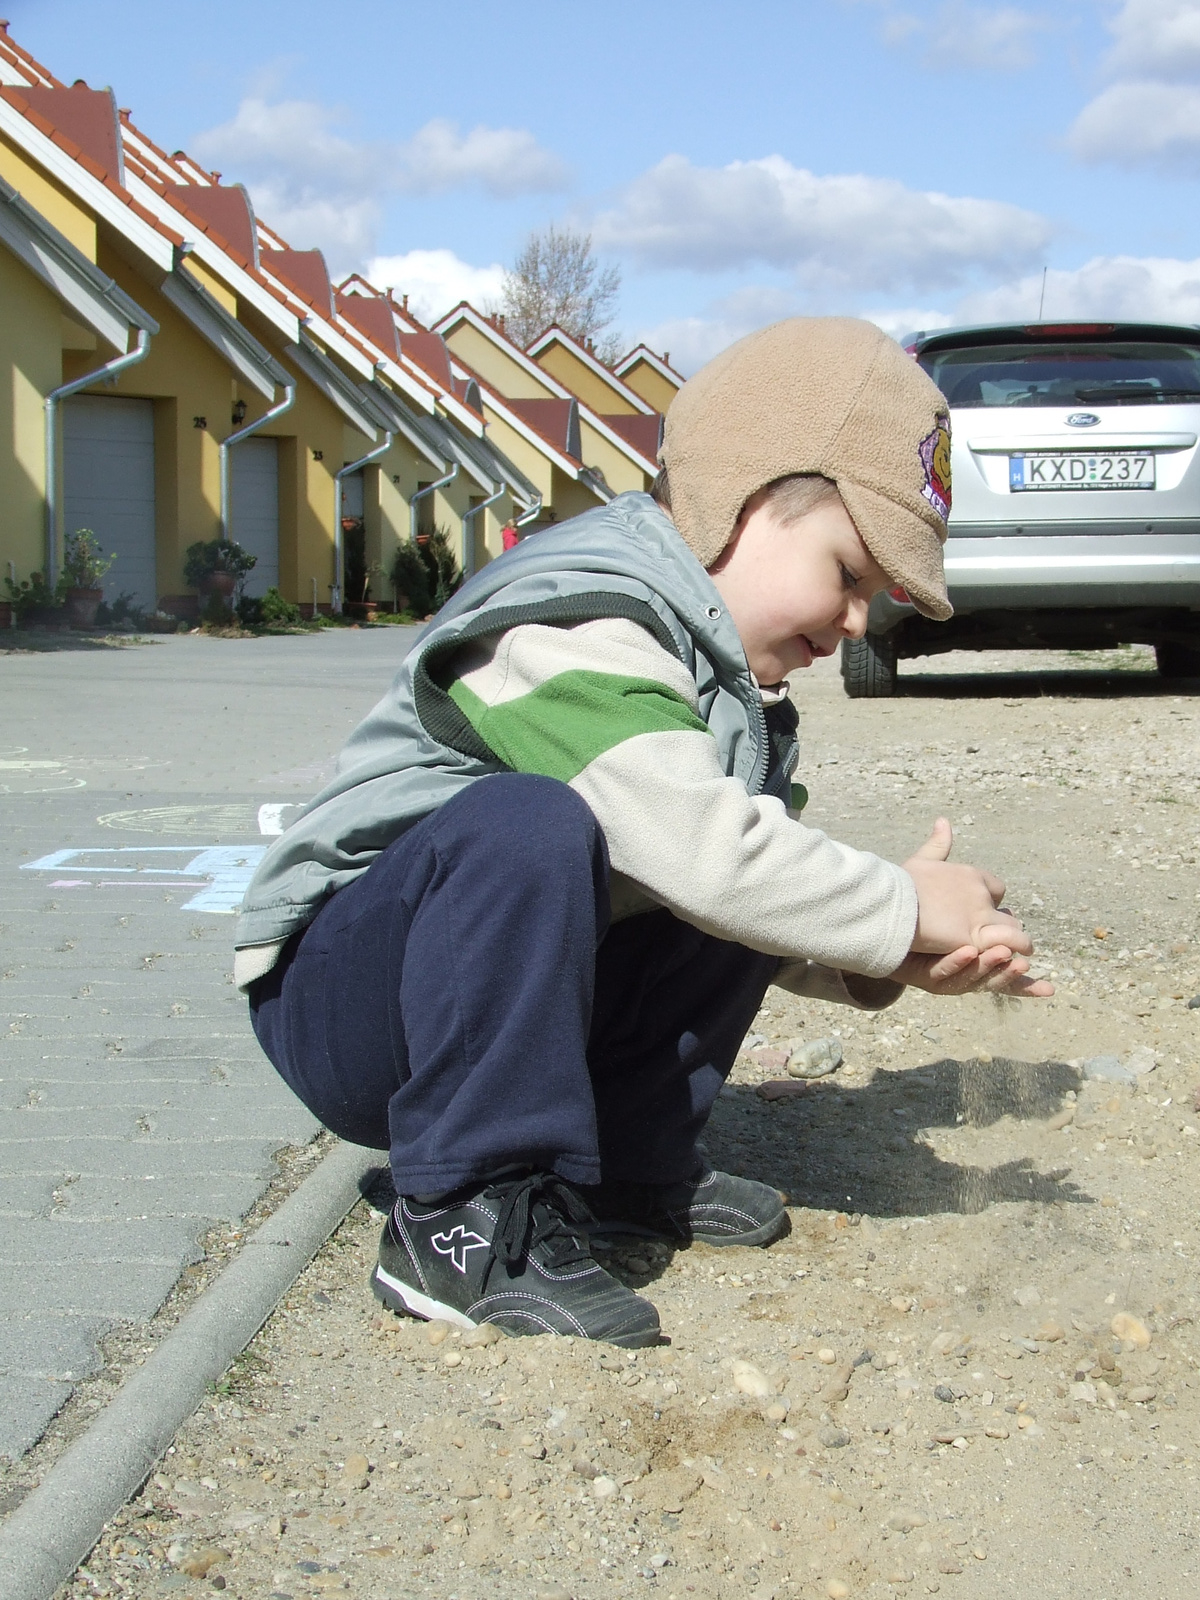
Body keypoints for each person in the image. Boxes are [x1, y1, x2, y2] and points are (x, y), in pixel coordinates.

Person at [236, 318, 1051, 1349]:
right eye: (849, 571)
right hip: (347, 996)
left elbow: (748, 888)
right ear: (749, 501)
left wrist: (902, 953)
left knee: (730, 853)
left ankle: (621, 1168)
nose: (857, 620)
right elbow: (704, 852)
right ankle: (460, 1216)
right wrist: (899, 905)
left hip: (458, 981)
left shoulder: (725, 687)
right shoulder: (577, 621)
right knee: (538, 825)